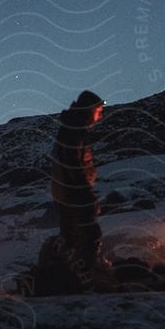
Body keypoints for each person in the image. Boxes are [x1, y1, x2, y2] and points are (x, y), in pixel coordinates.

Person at [47, 89, 110, 288]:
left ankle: (66, 279)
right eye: (98, 110)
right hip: (73, 193)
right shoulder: (74, 130)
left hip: (66, 192)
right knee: (89, 234)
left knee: (70, 236)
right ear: (90, 109)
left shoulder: (70, 127)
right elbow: (72, 164)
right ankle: (85, 278)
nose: (99, 115)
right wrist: (86, 193)